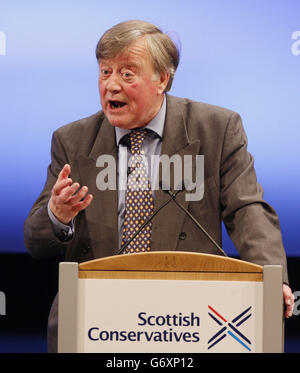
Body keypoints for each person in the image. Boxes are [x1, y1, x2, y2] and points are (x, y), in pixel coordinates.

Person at [24, 20, 294, 352]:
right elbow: (36, 242)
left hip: (189, 319)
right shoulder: (73, 140)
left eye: (126, 73)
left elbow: (247, 209)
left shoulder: (216, 129)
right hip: (96, 318)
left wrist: (271, 277)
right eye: (105, 72)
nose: (111, 85)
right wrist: (57, 215)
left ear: (162, 79)